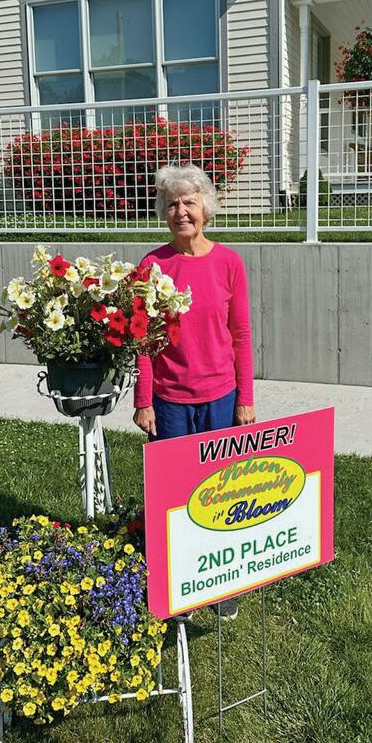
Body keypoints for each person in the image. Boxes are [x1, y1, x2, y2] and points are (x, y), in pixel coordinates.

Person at [133, 163, 256, 621]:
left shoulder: (229, 263)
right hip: (170, 400)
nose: (181, 211)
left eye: (189, 202)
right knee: (175, 495)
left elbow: (241, 335)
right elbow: (143, 338)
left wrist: (245, 398)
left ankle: (221, 584)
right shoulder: (152, 266)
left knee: (221, 491)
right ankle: (180, 584)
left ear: (206, 208)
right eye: (172, 204)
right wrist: (144, 400)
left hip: (221, 396)